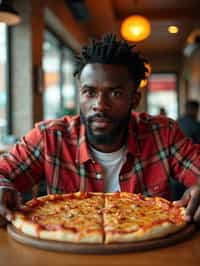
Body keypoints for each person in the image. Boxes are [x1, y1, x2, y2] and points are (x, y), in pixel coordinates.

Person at [0, 34, 200, 224]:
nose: (100, 105)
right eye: (89, 92)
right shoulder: (49, 136)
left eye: (115, 93)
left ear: (135, 99)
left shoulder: (163, 133)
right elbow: (3, 173)